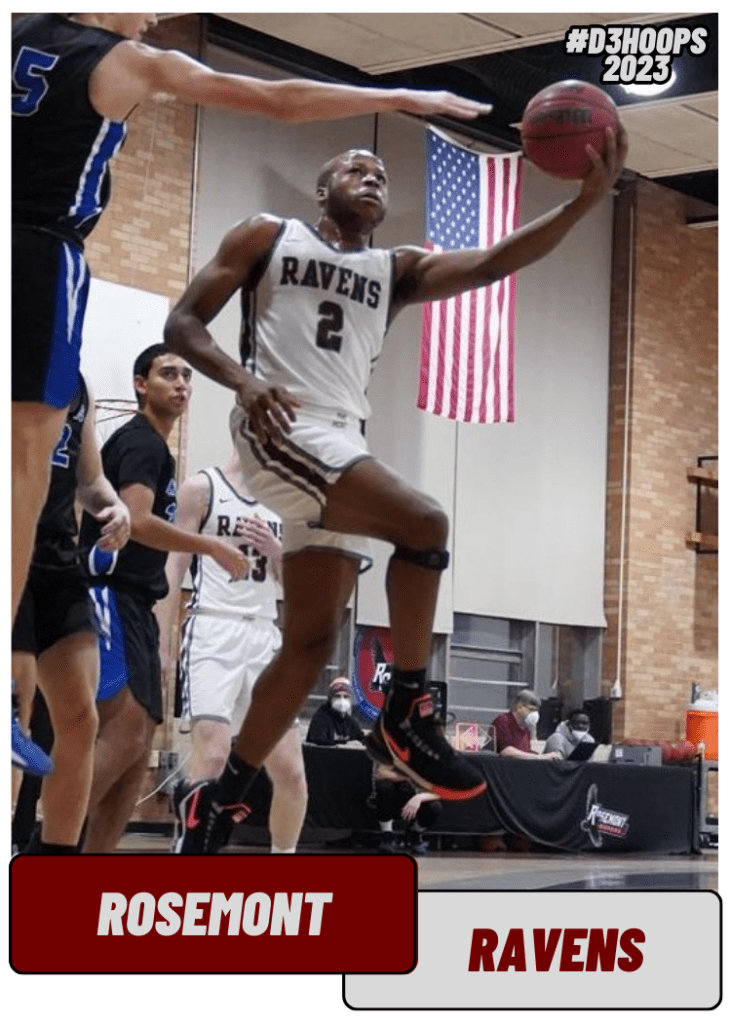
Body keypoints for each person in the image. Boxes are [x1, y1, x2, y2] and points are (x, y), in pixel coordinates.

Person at [10, 12, 493, 770]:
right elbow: (273, 99)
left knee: (111, 732)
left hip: (233, 596)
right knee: (23, 467)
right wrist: (401, 97)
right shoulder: (119, 57)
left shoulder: (19, 32)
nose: (156, 17)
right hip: (37, 251)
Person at [164, 127, 627, 853]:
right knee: (425, 521)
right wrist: (244, 381)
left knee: (308, 643)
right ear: (322, 190)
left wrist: (580, 205)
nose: (372, 175)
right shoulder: (268, 235)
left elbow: (495, 262)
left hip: (343, 440)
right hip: (279, 423)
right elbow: (182, 322)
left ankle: (217, 808)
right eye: (355, 166)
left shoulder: (394, 268)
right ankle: (406, 709)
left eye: (381, 171)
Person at [79, 345, 248, 853]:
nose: (181, 384)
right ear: (140, 384)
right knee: (127, 732)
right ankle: (49, 844)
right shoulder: (140, 442)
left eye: (187, 376)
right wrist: (209, 545)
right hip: (109, 593)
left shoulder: (158, 450)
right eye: (168, 374)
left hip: (137, 606)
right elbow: (137, 522)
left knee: (138, 752)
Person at [155, 448, 308, 855]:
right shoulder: (202, 488)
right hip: (212, 628)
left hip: (264, 634)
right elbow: (173, 566)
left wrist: (276, 551)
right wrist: (162, 641)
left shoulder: (287, 500)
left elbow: (299, 586)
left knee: (291, 772)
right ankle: (190, 854)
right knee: (213, 757)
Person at [12, 374, 131, 853]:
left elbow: (89, 479)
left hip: (59, 562)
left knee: (81, 718)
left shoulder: (77, 384)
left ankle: (55, 857)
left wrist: (113, 505)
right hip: (11, 552)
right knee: (17, 716)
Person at [371, 762, 442, 856]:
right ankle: (387, 835)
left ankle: (414, 834)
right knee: (384, 787)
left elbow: (440, 791)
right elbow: (381, 773)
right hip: (393, 798)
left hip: (415, 801)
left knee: (435, 807)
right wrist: (408, 776)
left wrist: (418, 798)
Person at [490, 689, 562, 761]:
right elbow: (506, 751)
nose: (534, 714)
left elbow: (525, 752)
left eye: (536, 710)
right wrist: (540, 757)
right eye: (531, 709)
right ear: (519, 707)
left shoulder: (525, 727)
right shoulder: (503, 721)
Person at [306, 679, 367, 747]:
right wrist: (343, 746)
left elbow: (362, 739)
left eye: (346, 696)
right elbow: (318, 741)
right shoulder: (320, 718)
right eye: (337, 696)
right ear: (330, 698)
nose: (342, 700)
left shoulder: (351, 722)